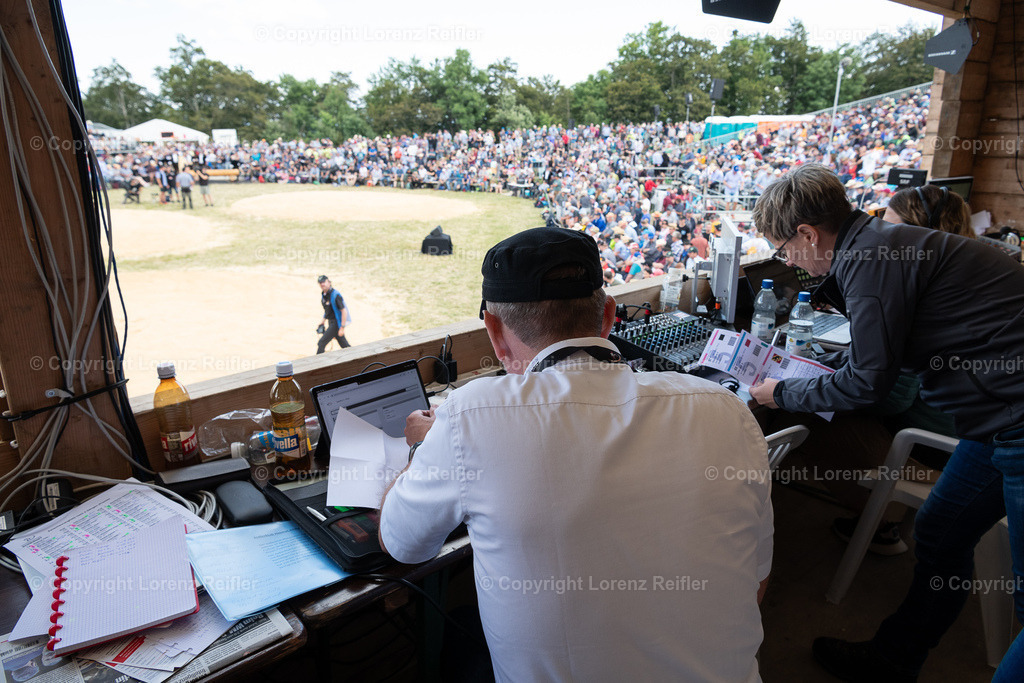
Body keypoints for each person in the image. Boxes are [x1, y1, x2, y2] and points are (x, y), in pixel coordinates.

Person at [378, 227, 773, 682]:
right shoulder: (725, 408)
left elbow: (403, 545)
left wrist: (423, 446)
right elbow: (756, 582)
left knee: (461, 632)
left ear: (494, 332)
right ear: (607, 317)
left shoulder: (471, 416)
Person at [748, 163, 1024, 682]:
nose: (790, 262)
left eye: (784, 250)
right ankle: (893, 661)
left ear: (808, 233)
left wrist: (781, 390)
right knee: (941, 532)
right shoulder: (875, 242)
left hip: (1015, 419)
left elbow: (868, 384)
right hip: (996, 419)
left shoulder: (870, 262)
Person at [316, 275, 351, 353]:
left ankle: (319, 364)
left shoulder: (335, 295)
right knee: (344, 345)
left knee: (321, 343)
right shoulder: (324, 295)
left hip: (336, 323)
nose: (322, 284)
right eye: (320, 283)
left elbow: (344, 311)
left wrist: (342, 327)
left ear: (329, 282)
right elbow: (328, 310)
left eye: (324, 282)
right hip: (331, 322)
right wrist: (323, 321)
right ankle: (356, 356)